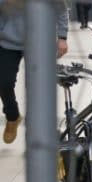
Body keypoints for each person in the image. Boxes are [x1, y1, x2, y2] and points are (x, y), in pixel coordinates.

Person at [0, 0, 69, 144]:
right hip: (7, 41)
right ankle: (12, 116)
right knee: (3, 82)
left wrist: (62, 37)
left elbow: (61, 9)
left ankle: (33, 136)